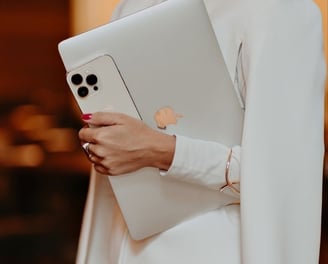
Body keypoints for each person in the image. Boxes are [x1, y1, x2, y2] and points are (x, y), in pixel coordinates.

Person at [76, 0, 326, 263]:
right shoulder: (131, 6)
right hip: (121, 244)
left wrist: (165, 151)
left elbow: (287, 179)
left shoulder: (280, 10)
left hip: (212, 248)